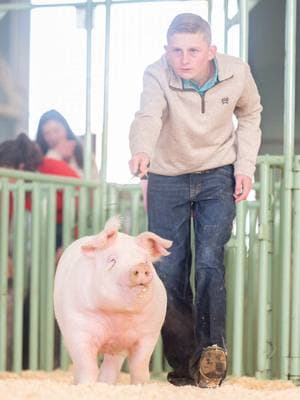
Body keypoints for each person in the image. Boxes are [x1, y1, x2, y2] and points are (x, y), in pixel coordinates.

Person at [129, 13, 262, 388]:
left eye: (193, 51)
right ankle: (186, 366)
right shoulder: (157, 74)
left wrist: (244, 167)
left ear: (211, 51)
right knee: (169, 271)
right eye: (176, 51)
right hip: (167, 175)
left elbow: (250, 113)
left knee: (208, 261)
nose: (184, 59)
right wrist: (141, 151)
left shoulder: (237, 72)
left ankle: (212, 354)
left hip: (218, 172)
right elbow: (147, 115)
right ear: (166, 50)